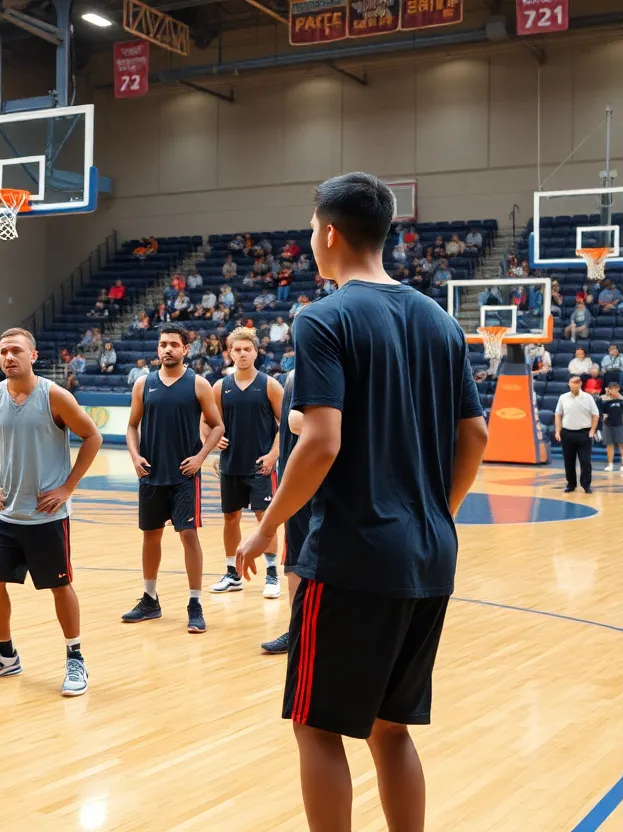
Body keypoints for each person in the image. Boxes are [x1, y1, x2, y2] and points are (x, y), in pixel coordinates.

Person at [233, 172, 489, 832]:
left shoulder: (323, 318)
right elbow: (476, 435)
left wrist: (265, 530)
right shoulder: (440, 320)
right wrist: (438, 511)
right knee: (390, 730)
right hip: (430, 554)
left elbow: (320, 442)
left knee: (316, 728)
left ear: (327, 233)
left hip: (353, 557)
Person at [0, 328, 102, 694]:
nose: (8, 357)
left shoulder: (54, 396)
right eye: (2, 352)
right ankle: (6, 655)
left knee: (60, 586)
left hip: (47, 516)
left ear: (33, 356)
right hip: (5, 515)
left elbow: (93, 436)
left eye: (15, 351)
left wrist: (67, 487)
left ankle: (75, 658)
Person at [120, 323, 225, 634]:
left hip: (183, 475)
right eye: (163, 344)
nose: (167, 349)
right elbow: (131, 427)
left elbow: (217, 426)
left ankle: (195, 603)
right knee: (150, 537)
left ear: (185, 350)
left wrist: (200, 457)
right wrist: (135, 456)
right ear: (157, 349)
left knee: (188, 536)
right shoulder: (143, 384)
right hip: (151, 474)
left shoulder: (199, 384)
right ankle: (150, 599)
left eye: (173, 344)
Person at [210, 328, 283, 597]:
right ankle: (233, 574)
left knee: (266, 520)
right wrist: (213, 440)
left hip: (260, 466)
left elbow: (285, 425)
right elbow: (208, 423)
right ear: (229, 353)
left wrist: (274, 455)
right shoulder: (220, 387)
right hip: (230, 465)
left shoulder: (269, 385)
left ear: (255, 352)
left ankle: (272, 575)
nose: (241, 354)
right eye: (237, 350)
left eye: (246, 349)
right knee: (231, 518)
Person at [259, 370, 308, 655]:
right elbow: (286, 427)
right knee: (295, 558)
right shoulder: (291, 376)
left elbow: (304, 423)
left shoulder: (333, 370)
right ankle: (297, 629)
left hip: (324, 482)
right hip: (293, 479)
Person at [555, 375, 599, 494]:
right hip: (567, 433)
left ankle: (586, 485)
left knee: (585, 461)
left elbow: (595, 415)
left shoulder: (588, 397)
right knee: (568, 460)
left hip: (584, 433)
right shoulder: (563, 398)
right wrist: (557, 431)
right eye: (571, 385)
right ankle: (571, 484)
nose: (572, 387)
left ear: (580, 385)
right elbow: (558, 415)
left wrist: (592, 431)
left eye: (575, 385)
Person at [600, 381, 623, 472]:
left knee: (621, 445)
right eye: (611, 388)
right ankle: (610, 464)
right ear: (608, 389)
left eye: (615, 388)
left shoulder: (622, 400)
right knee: (609, 445)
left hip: (619, 425)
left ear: (618, 389)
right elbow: (601, 411)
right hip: (607, 425)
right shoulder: (604, 400)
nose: (613, 390)